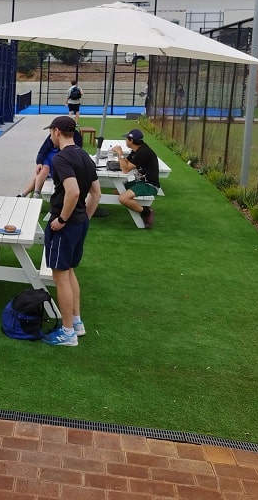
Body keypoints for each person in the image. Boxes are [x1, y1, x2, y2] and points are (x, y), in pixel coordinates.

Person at [41, 116, 101, 347]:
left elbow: (74, 192)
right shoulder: (84, 155)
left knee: (60, 276)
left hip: (65, 225)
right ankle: (76, 322)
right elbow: (95, 193)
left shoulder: (61, 158)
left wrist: (63, 219)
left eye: (50, 133)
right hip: (80, 223)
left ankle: (67, 333)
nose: (50, 137)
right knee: (69, 271)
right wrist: (84, 217)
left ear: (56, 132)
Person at [109, 128, 160, 229]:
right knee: (117, 191)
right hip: (140, 181)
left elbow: (125, 169)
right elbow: (126, 163)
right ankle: (141, 207)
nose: (125, 141)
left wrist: (120, 153)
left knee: (122, 198)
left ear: (131, 141)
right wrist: (120, 158)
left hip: (149, 185)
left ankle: (146, 212)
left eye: (126, 139)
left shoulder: (143, 152)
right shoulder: (137, 149)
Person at [19, 127, 83, 199]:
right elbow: (43, 150)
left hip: (59, 162)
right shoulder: (51, 137)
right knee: (44, 170)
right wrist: (39, 162)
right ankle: (34, 194)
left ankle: (24, 194)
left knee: (41, 174)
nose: (50, 137)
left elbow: (76, 153)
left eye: (52, 131)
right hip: (49, 159)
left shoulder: (74, 139)